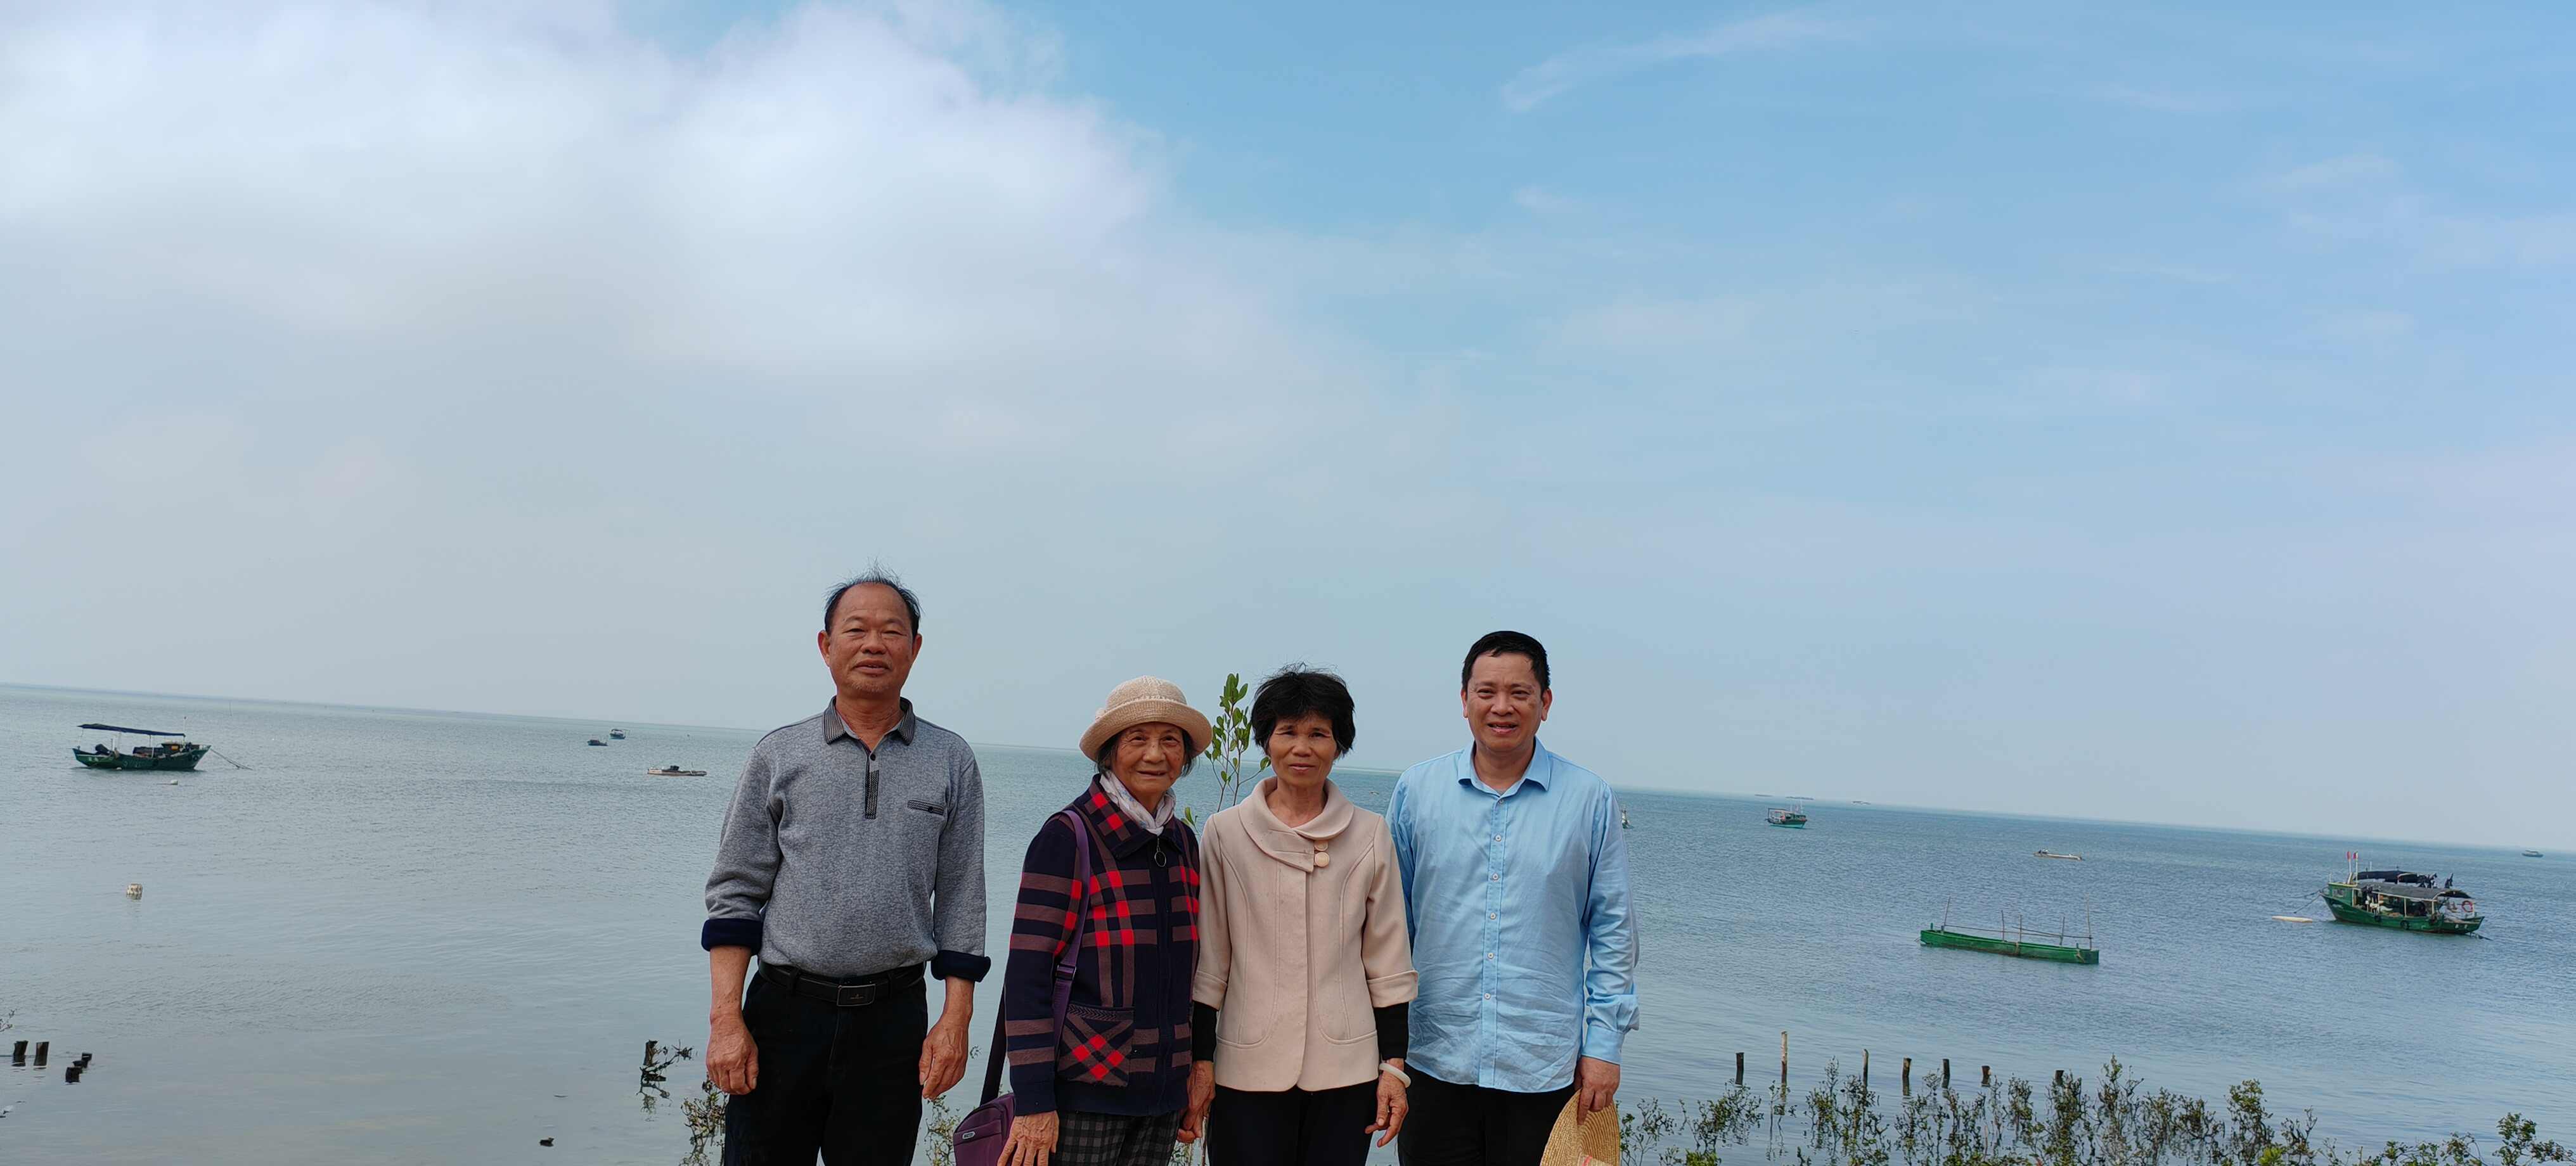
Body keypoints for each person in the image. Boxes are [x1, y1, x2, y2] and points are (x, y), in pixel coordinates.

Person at [701, 572, 989, 1165]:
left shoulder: (951, 759)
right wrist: (726, 1019)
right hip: (783, 1014)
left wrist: (955, 1019)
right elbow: (735, 893)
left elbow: (963, 897)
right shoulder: (779, 755)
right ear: (826, 646)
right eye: (856, 630)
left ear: (915, 648)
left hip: (893, 1021)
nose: (874, 644)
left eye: (892, 631)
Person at [1386, 631, 1637, 1166]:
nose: (1502, 707)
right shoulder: (1417, 791)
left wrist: (1604, 1046)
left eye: (1519, 693)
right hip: (1433, 1060)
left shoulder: (1589, 800)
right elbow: (1390, 926)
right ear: (1464, 700)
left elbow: (1614, 931)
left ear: (1545, 703)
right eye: (1487, 692)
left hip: (1543, 1067)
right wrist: (1387, 1052)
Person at [1182, 666, 1418, 1166]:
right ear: (1266, 741)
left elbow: (1389, 962)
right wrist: (1201, 1061)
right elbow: (1210, 964)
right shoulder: (1224, 834)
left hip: (1347, 1070)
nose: (1302, 748)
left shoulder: (1370, 834)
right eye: (1287, 732)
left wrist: (1393, 1068)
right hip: (1246, 1066)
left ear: (1339, 745)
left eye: (1319, 734)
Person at [999, 677, 1209, 1166]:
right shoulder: (1069, 836)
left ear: (1185, 756)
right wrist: (1034, 1101)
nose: (1155, 754)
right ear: (1110, 752)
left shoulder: (1183, 842)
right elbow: (1027, 975)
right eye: (1138, 739)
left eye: (1170, 740)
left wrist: (1195, 1068)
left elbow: (1192, 974)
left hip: (1162, 1094)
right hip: (1083, 1093)